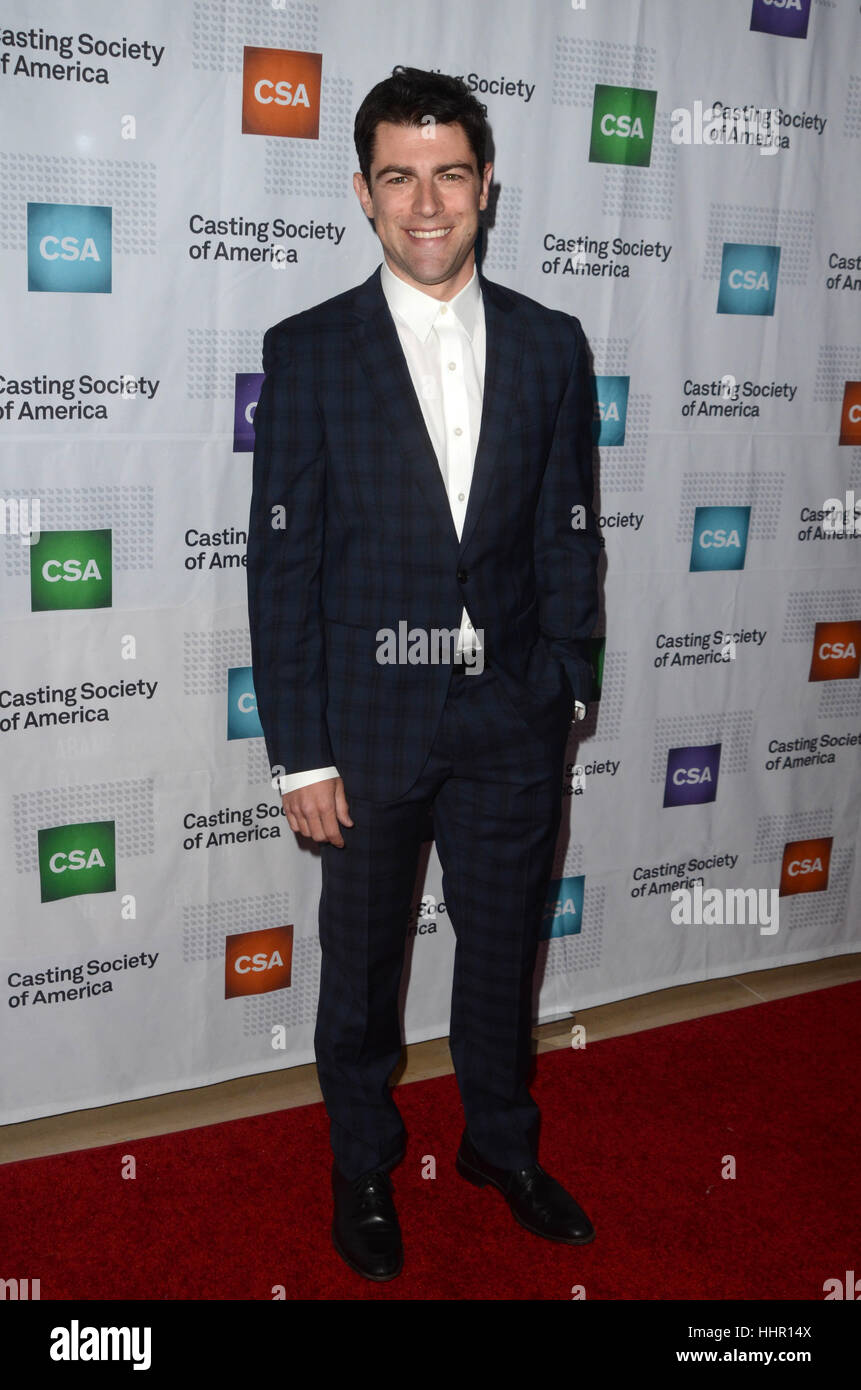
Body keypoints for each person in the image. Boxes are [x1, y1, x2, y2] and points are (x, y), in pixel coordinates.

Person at [246, 65, 601, 1283]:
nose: (428, 201)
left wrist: (571, 684)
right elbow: (280, 565)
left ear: (486, 184)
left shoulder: (555, 346)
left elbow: (568, 528)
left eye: (451, 171)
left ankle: (502, 1147)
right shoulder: (306, 352)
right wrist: (301, 749)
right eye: (399, 175)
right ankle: (363, 1165)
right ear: (363, 191)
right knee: (361, 977)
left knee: (505, 958)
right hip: (365, 726)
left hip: (513, 717)